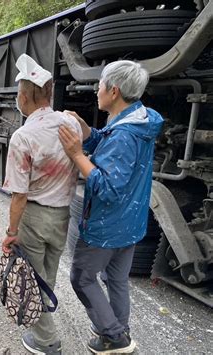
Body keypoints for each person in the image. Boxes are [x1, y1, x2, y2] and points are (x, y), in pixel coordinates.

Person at [58, 60, 164, 354]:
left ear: (113, 90)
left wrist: (77, 154)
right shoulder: (138, 121)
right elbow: (109, 145)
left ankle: (115, 337)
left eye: (100, 84)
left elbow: (107, 188)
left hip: (107, 226)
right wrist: (88, 132)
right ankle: (118, 326)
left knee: (81, 277)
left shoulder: (124, 135)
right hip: (130, 223)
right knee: (115, 278)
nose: (97, 90)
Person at [2, 54, 82, 355]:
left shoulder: (23, 136)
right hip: (62, 214)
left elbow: (19, 195)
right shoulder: (69, 124)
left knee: (31, 280)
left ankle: (47, 342)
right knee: (47, 273)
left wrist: (11, 231)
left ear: (24, 97)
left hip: (34, 217)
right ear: (49, 93)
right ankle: (44, 316)